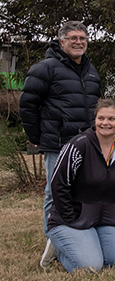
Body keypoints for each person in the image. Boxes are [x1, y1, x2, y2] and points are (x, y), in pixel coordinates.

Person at [19, 21, 102, 244]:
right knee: (55, 192)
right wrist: (36, 137)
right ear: (61, 41)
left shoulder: (91, 71)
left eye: (82, 38)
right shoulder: (45, 68)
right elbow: (27, 105)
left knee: (81, 191)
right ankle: (53, 242)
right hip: (58, 143)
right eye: (73, 38)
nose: (78, 42)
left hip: (86, 144)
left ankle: (75, 235)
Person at [41, 99, 115, 272]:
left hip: (106, 218)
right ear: (95, 120)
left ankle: (91, 241)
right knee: (90, 267)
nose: (105, 123)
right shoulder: (78, 145)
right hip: (73, 217)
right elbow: (59, 185)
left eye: (112, 119)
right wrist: (71, 217)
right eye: (101, 118)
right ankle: (58, 250)